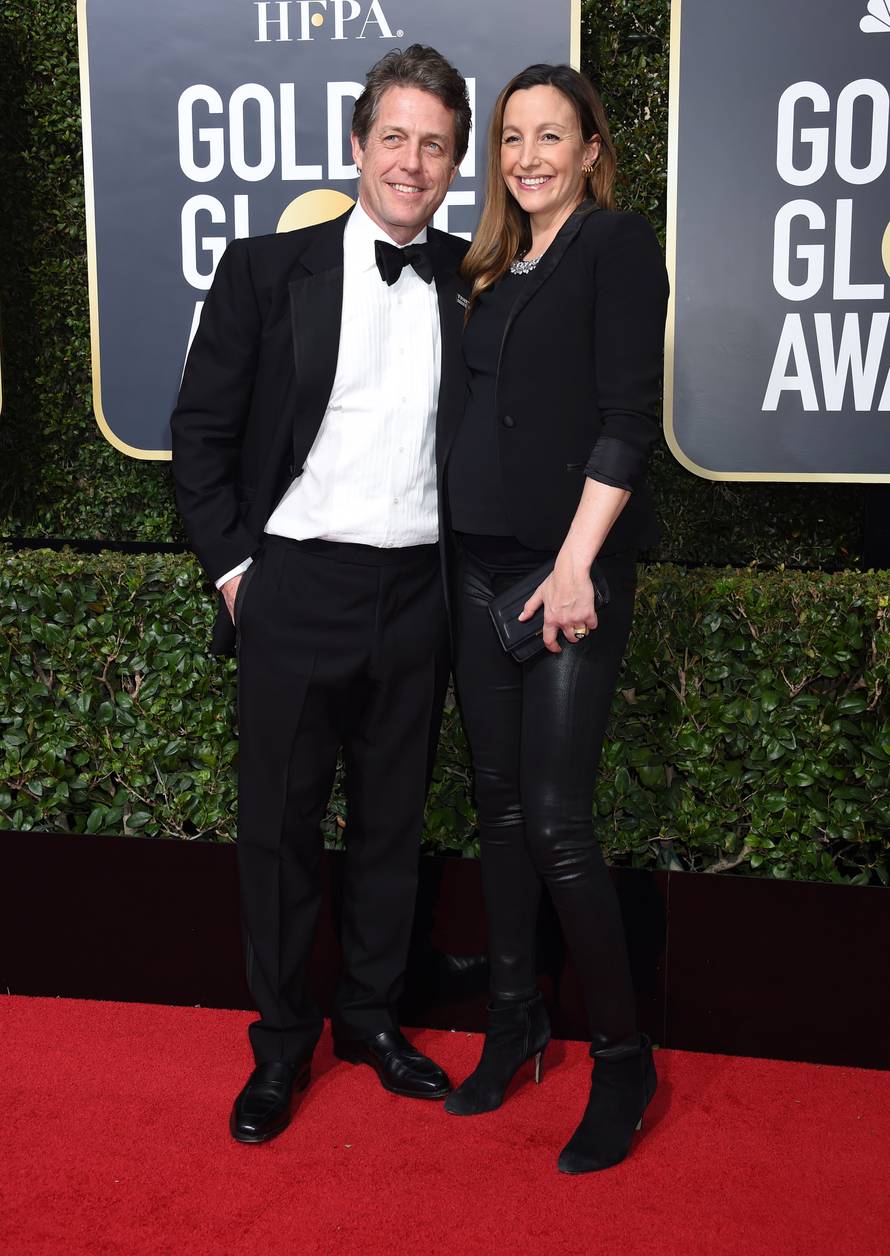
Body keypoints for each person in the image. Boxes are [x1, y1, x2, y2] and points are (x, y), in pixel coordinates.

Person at [170, 45, 472, 1144]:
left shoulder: (468, 284)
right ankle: (281, 1045)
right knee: (280, 830)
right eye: (393, 136)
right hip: (294, 582)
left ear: (454, 165)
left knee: (392, 828)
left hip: (415, 590)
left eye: (433, 143)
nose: (411, 160)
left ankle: (374, 1020)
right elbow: (197, 433)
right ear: (356, 145)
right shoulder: (263, 270)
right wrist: (238, 571)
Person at [441, 64, 669, 1173]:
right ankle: (512, 1020)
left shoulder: (613, 247)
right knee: (493, 813)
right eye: (511, 138)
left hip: (560, 577)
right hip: (473, 573)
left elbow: (628, 417)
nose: (527, 156)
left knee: (552, 820)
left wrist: (577, 564)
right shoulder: (491, 263)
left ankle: (623, 1056)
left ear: (589, 148)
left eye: (550, 136)